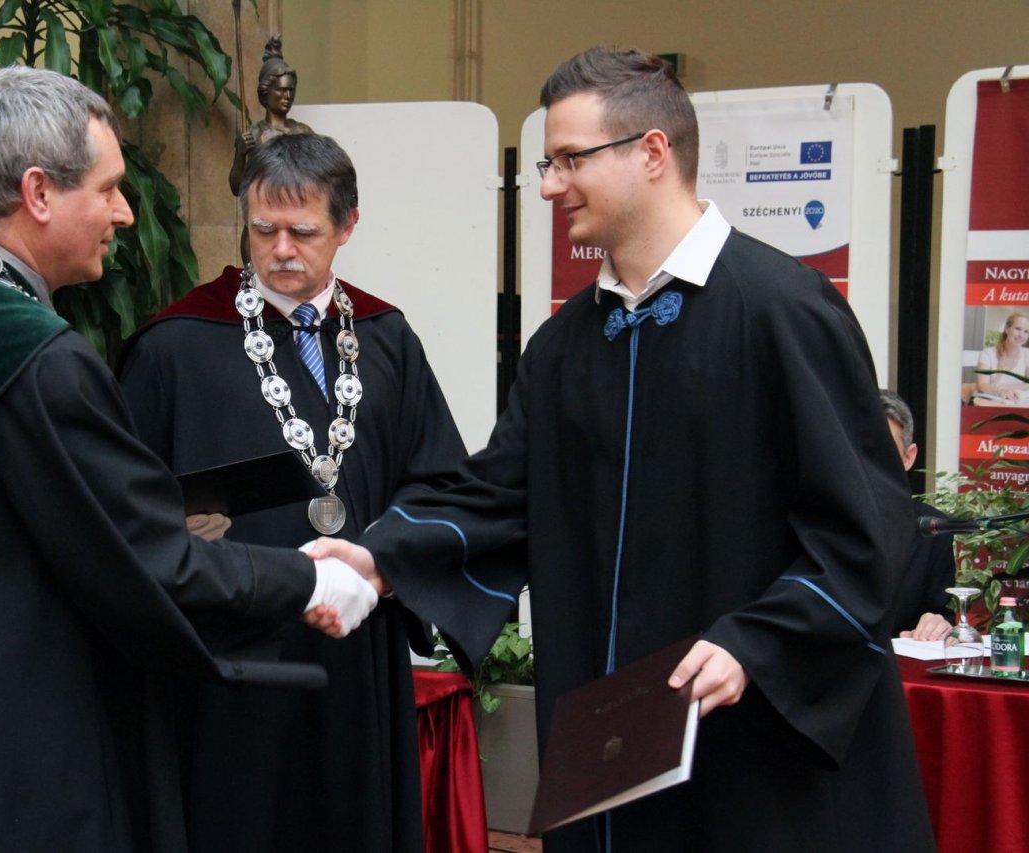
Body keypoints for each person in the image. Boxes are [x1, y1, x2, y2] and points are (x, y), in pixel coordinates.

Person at [313, 47, 934, 852]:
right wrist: (379, 556)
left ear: (652, 152)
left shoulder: (784, 309)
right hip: (607, 755)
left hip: (755, 748)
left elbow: (868, 527)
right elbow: (497, 496)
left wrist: (756, 643)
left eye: (570, 159)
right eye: (548, 163)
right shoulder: (564, 346)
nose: (548, 186)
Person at [0, 67, 378, 853]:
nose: (125, 211)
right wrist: (309, 578)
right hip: (10, 763)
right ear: (39, 192)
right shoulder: (38, 359)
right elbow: (147, 560)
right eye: (108, 188)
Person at [118, 131, 476, 853]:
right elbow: (123, 507)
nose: (281, 250)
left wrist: (381, 566)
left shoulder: (386, 337)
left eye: (303, 232)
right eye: (264, 230)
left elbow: (442, 482)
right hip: (234, 659)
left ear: (347, 226)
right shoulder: (174, 345)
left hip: (357, 649)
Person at [881, 390, 955, 640]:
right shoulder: (812, 521)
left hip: (900, 658)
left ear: (908, 457)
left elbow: (939, 612)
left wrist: (937, 623)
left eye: (884, 448)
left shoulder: (931, 527)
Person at [227, 35, 314, 197]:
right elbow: (237, 189)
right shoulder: (254, 134)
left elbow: (318, 175)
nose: (288, 96)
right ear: (266, 91)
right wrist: (240, 155)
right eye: (281, 90)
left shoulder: (303, 131)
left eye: (291, 90)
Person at [975, 312, 1029, 403]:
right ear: (1007, 329)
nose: (1021, 335)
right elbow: (982, 385)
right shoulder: (987, 354)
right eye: (1018, 329)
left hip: (1017, 403)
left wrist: (1007, 389)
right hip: (992, 402)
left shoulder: (1027, 354)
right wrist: (1000, 391)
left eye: (1026, 331)